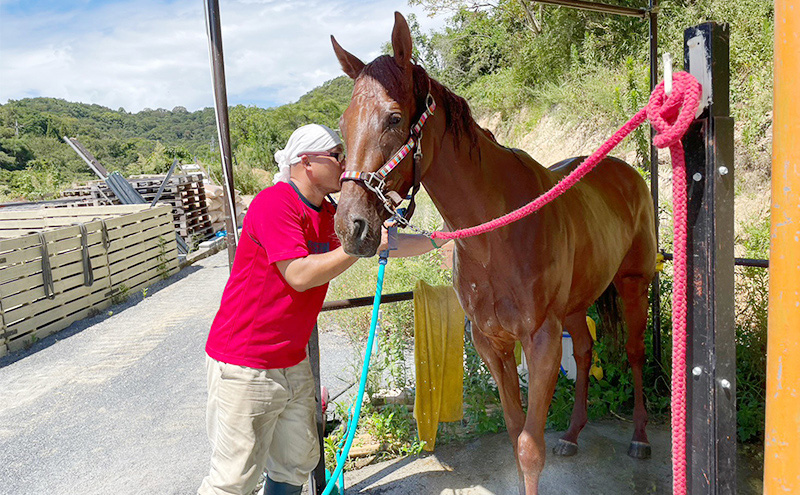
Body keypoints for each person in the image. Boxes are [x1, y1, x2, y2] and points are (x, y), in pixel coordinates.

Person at [198, 123, 439, 495]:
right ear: (306, 162)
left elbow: (383, 244)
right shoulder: (275, 203)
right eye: (338, 155)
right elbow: (297, 274)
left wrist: (443, 240)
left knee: (295, 464)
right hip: (246, 364)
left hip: (292, 361)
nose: (346, 164)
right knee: (233, 480)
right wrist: (357, 246)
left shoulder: (329, 214)